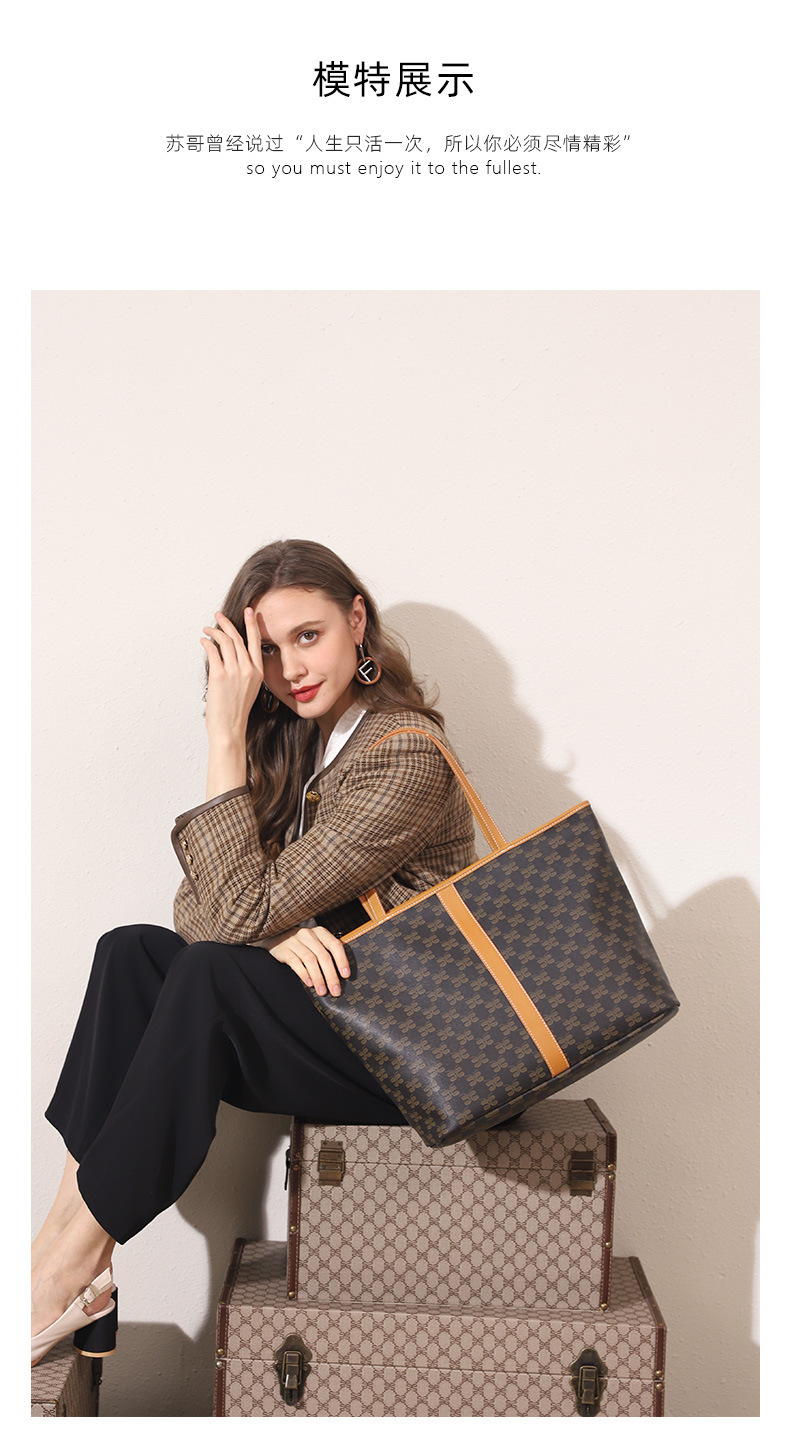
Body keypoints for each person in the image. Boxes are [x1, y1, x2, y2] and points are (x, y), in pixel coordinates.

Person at [31, 538, 476, 1366]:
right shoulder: (304, 744)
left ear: (356, 621)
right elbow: (198, 909)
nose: (290, 669)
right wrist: (270, 933)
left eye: (308, 636)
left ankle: (63, 1269)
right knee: (132, 954)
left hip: (422, 1053)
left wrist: (222, 736)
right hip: (344, 1021)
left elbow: (227, 914)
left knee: (208, 971)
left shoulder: (402, 751)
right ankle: (68, 1245)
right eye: (266, 652)